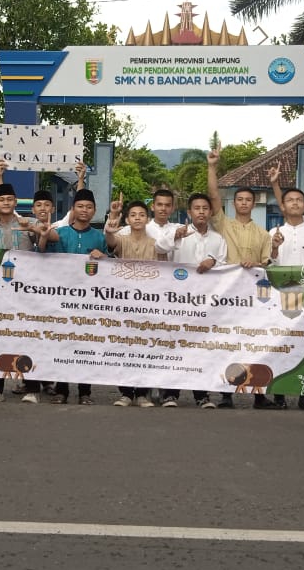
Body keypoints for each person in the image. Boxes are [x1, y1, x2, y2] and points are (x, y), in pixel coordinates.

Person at [206, 148, 271, 408]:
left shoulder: (263, 234)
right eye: (239, 199)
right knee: (227, 342)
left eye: (248, 199)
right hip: (227, 294)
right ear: (234, 203)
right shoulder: (223, 224)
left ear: (253, 204)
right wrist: (212, 166)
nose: (243, 202)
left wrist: (255, 263)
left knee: (255, 343)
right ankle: (225, 394)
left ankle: (259, 395)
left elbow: (267, 264)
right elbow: (212, 196)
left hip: (253, 297)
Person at [40, 188, 110, 405]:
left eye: (89, 207)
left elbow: (112, 266)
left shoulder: (99, 237)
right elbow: (42, 252)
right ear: (73, 209)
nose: (84, 210)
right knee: (64, 346)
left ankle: (85, 392)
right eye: (80, 206)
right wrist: (42, 234)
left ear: (94, 211)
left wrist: (104, 257)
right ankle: (62, 390)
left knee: (85, 346)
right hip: (63, 301)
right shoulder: (61, 234)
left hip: (90, 302)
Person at [161, 192, 227, 409]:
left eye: (205, 208)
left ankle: (202, 395)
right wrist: (175, 237)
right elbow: (160, 248)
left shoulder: (218, 239)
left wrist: (213, 260)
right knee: (175, 346)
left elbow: (227, 266)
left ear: (210, 212)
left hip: (205, 304)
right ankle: (171, 394)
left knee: (201, 348)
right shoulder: (177, 232)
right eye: (196, 208)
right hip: (177, 300)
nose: (201, 212)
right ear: (189, 212)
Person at [266, 162, 304, 409]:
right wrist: (275, 247)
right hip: (282, 296)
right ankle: (279, 393)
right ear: (283, 206)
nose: (295, 203)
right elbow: (269, 264)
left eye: (299, 199)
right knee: (280, 345)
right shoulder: (273, 231)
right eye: (290, 200)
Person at [104, 198, 168, 407]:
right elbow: (110, 242)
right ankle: (125, 393)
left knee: (146, 348)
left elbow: (164, 273)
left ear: (147, 219)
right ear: (128, 219)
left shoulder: (155, 245)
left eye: (141, 215)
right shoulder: (122, 240)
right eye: (133, 215)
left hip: (149, 304)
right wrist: (111, 224)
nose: (138, 218)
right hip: (125, 304)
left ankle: (142, 393)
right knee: (124, 348)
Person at [0, 182, 39, 401]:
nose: (6, 203)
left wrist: (34, 230)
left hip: (27, 291)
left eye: (9, 199)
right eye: (1, 200)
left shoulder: (29, 223)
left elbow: (44, 246)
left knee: (29, 336)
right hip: (0, 293)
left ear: (15, 202)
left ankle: (32, 389)